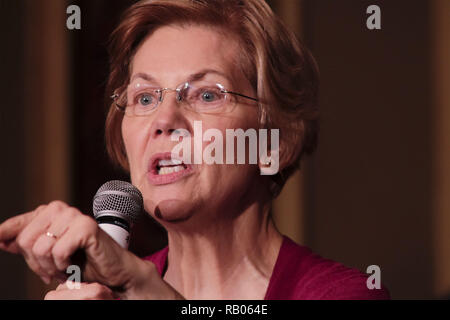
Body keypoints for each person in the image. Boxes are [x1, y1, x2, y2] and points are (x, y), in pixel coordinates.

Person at [0, 0, 389, 300]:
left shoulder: (341, 293)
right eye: (145, 97)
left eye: (206, 94)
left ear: (274, 143)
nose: (164, 119)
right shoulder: (108, 291)